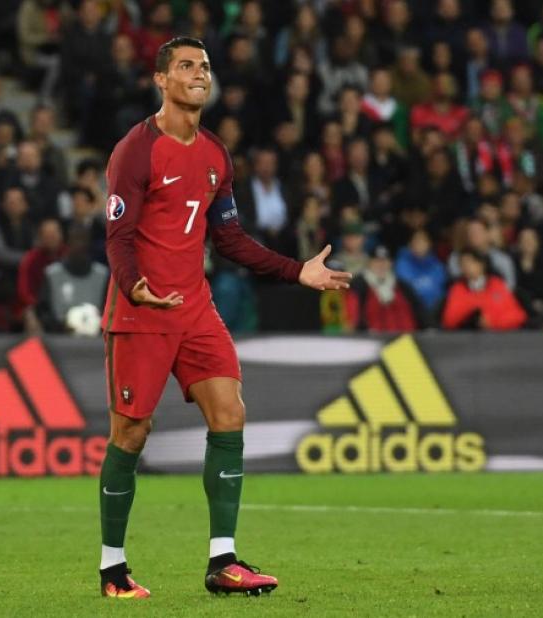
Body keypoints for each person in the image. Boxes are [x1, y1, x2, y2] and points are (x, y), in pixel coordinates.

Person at [98, 37, 351, 599]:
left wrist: (296, 271)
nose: (199, 74)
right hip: (140, 312)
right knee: (132, 432)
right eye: (186, 66)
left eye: (205, 67)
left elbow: (230, 238)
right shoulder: (135, 151)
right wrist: (135, 286)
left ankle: (223, 561)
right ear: (161, 80)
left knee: (230, 411)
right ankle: (113, 569)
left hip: (194, 310)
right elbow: (117, 236)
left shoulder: (215, 155)